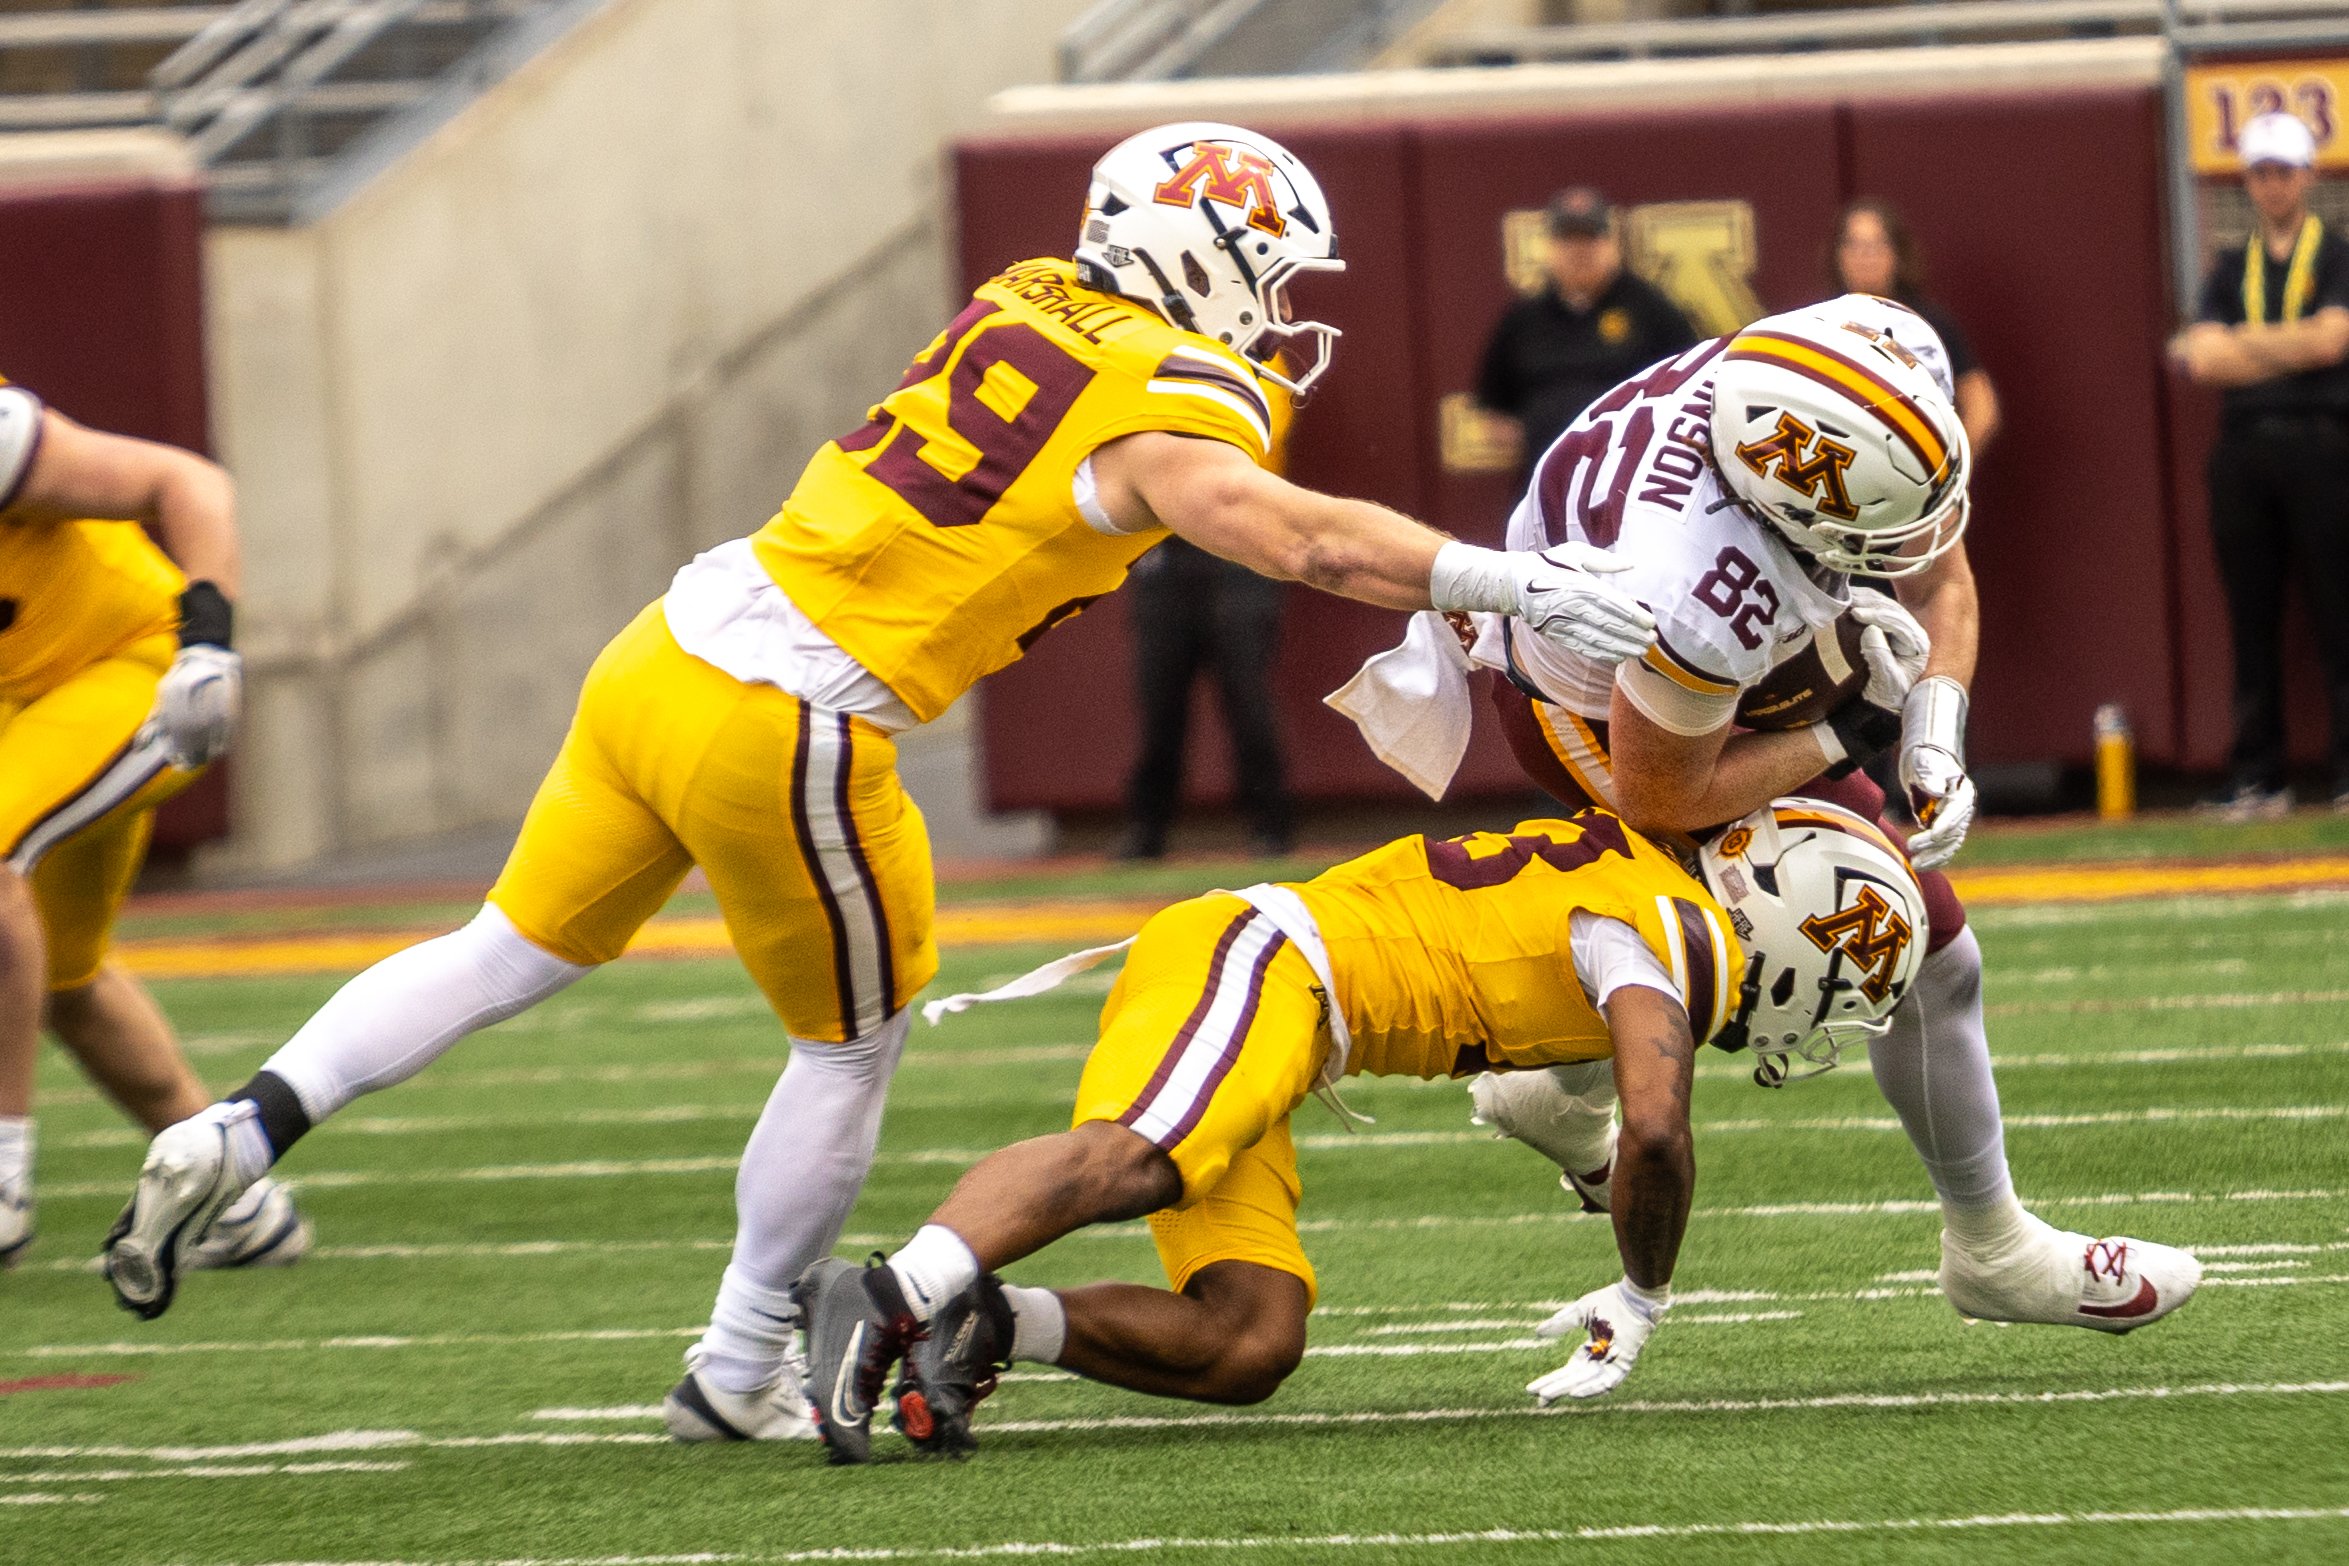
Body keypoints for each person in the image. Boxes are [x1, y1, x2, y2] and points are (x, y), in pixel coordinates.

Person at [103, 123, 1658, 1437]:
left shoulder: (1031, 293)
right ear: (1197, 255)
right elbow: (1298, 538)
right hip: (792, 718)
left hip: (667, 640)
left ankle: (239, 1128)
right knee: (852, 1046)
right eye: (1268, 266)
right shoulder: (1176, 401)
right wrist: (1497, 581)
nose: (1278, 303)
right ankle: (734, 1365)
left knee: (502, 947)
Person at [1331, 304, 2202, 1337]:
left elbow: (1934, 561)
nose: (1911, 543)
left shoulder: (1863, 351)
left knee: (1934, 956)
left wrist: (1934, 718)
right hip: (1600, 714)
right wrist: (1856, 730)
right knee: (1833, 930)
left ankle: (1556, 1094)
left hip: (1723, 670)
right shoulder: (1697, 585)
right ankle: (1993, 1250)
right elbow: (1663, 793)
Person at [794, 799, 1921, 1463]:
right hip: (1270, 962)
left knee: (1252, 1341)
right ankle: (890, 1293)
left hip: (1298, 1023)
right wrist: (1644, 1295)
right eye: (1835, 983)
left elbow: (1564, 1098)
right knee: (1146, 1155)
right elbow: (1658, 1129)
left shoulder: (1642, 906)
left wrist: (1589, 1161)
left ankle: (993, 1322)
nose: (1818, 1010)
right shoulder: (1662, 933)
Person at [0, 376, 309, 1271]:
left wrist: (209, 640)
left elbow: (185, 482)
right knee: (60, 980)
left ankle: (5, 1181)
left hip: (136, 669)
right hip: (29, 703)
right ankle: (237, 1201)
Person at [2170, 110, 2349, 819]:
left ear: (2307, 176)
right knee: (2250, 617)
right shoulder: (2230, 264)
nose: (2271, 185)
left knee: (2337, 612)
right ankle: (2257, 774)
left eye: (2283, 171)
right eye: (2260, 173)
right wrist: (2288, 345)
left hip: (2321, 443)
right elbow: (2200, 358)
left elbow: (2332, 343)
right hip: (2242, 451)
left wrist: (2244, 347)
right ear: (2246, 181)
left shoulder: (2334, 255)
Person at [1473, 187, 1698, 488]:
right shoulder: (1524, 318)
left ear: (1610, 244)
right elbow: (1493, 410)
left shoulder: (1651, 310)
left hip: (1629, 484)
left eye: (1590, 238)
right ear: (1550, 246)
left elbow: (1692, 390)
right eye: (1568, 239)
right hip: (1547, 486)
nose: (1579, 251)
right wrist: (1549, 439)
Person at [1120, 537, 1295, 859]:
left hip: (1236, 557)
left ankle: (1271, 826)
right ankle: (1148, 830)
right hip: (1164, 560)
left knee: (1249, 706)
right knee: (1160, 711)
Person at [1829, 200, 2001, 453]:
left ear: (1897, 253)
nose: (1864, 256)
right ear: (1838, 254)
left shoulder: (1927, 324)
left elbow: (1982, 405)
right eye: (1853, 244)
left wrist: (1952, 471)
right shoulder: (1818, 322)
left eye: (1877, 244)